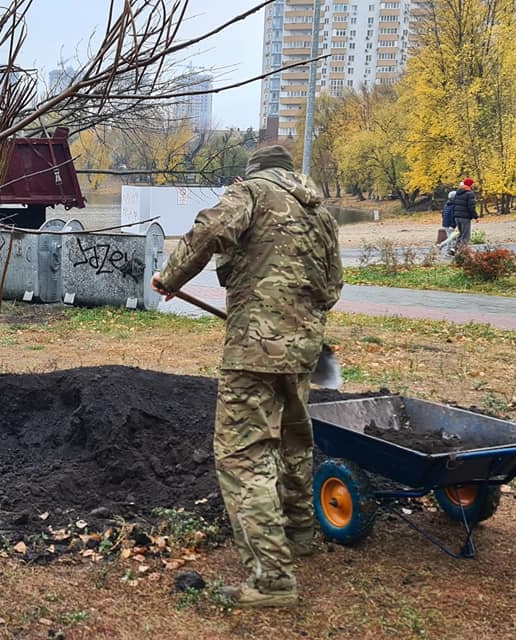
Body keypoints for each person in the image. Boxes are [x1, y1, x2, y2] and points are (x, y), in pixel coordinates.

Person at [149, 145, 343, 609]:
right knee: (294, 443)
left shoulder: (250, 193)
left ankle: (273, 578)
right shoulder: (320, 212)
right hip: (302, 350)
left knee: (244, 457)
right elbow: (333, 287)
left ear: (253, 173)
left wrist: (172, 277)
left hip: (253, 352)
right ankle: (300, 534)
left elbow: (209, 229)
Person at [449, 178, 478, 250]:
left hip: (457, 217)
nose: (473, 185)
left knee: (461, 234)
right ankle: (464, 252)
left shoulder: (458, 193)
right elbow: (471, 207)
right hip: (464, 217)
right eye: (472, 184)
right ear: (470, 184)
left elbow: (454, 204)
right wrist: (475, 217)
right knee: (465, 236)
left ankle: (454, 249)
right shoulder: (469, 193)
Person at [438, 189, 459, 256]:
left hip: (445, 223)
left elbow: (443, 214)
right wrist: (453, 225)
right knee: (451, 238)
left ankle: (449, 250)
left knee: (451, 237)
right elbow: (453, 216)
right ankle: (442, 245)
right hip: (450, 224)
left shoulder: (446, 204)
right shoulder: (454, 206)